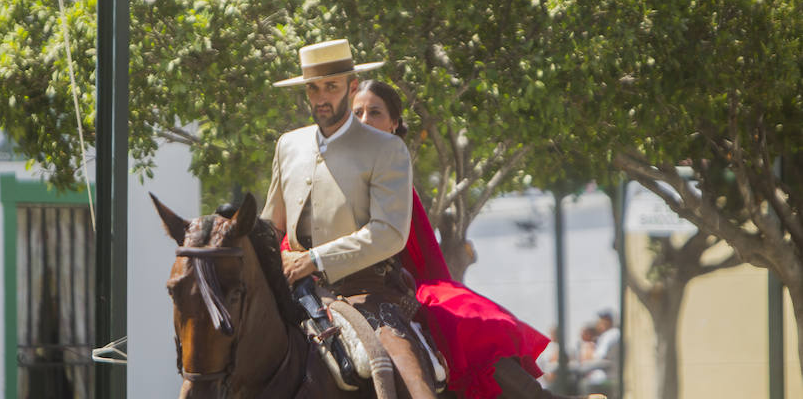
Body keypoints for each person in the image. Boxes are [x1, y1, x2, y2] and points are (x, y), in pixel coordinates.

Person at [350, 79, 602, 399]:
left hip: (401, 284)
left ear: (394, 123)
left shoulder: (396, 174)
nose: (364, 120)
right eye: (357, 113)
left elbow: (414, 249)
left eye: (374, 112)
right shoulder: (331, 169)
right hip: (336, 286)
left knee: (470, 318)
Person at [262, 39, 438, 399]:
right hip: (294, 292)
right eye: (313, 88)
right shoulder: (288, 145)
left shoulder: (386, 148)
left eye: (331, 86)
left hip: (368, 292)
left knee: (411, 381)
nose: (321, 97)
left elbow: (389, 233)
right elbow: (270, 225)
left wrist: (314, 259)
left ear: (352, 87)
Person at [578, 311, 620, 398]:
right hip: (613, 376)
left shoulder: (609, 335)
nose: (598, 325)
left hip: (606, 378)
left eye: (600, 322)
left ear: (607, 322)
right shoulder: (615, 333)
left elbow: (600, 357)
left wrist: (584, 363)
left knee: (584, 384)